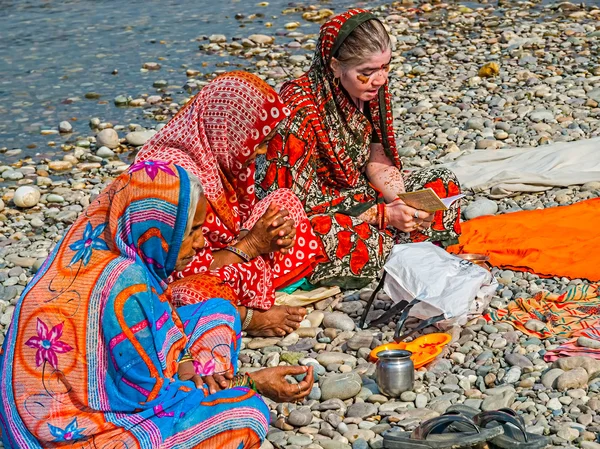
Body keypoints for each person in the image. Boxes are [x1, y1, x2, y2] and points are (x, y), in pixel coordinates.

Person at [0, 163, 314, 449]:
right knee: (248, 413)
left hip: (45, 399)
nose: (202, 243)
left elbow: (161, 317)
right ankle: (212, 382)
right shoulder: (126, 283)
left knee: (217, 311)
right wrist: (253, 381)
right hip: (68, 431)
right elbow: (146, 400)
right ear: (156, 228)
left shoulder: (101, 247)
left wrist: (186, 359)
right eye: (191, 232)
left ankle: (207, 379)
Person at [256, 9, 462, 289]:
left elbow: (377, 160)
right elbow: (291, 206)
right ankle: (394, 242)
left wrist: (403, 201)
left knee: (443, 184)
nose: (380, 80)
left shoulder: (370, 91)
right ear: (335, 66)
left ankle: (397, 239)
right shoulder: (298, 110)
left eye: (385, 67)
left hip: (357, 194)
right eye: (366, 72)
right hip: (315, 211)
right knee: (345, 236)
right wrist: (384, 215)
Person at [136, 72, 326, 337]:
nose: (261, 153)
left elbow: (235, 227)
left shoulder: (222, 157)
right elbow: (168, 268)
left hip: (223, 255)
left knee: (284, 203)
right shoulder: (173, 178)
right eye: (257, 144)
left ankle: (253, 287)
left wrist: (258, 236)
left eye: (264, 144)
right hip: (181, 276)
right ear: (228, 130)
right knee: (185, 296)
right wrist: (250, 247)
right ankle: (247, 314)